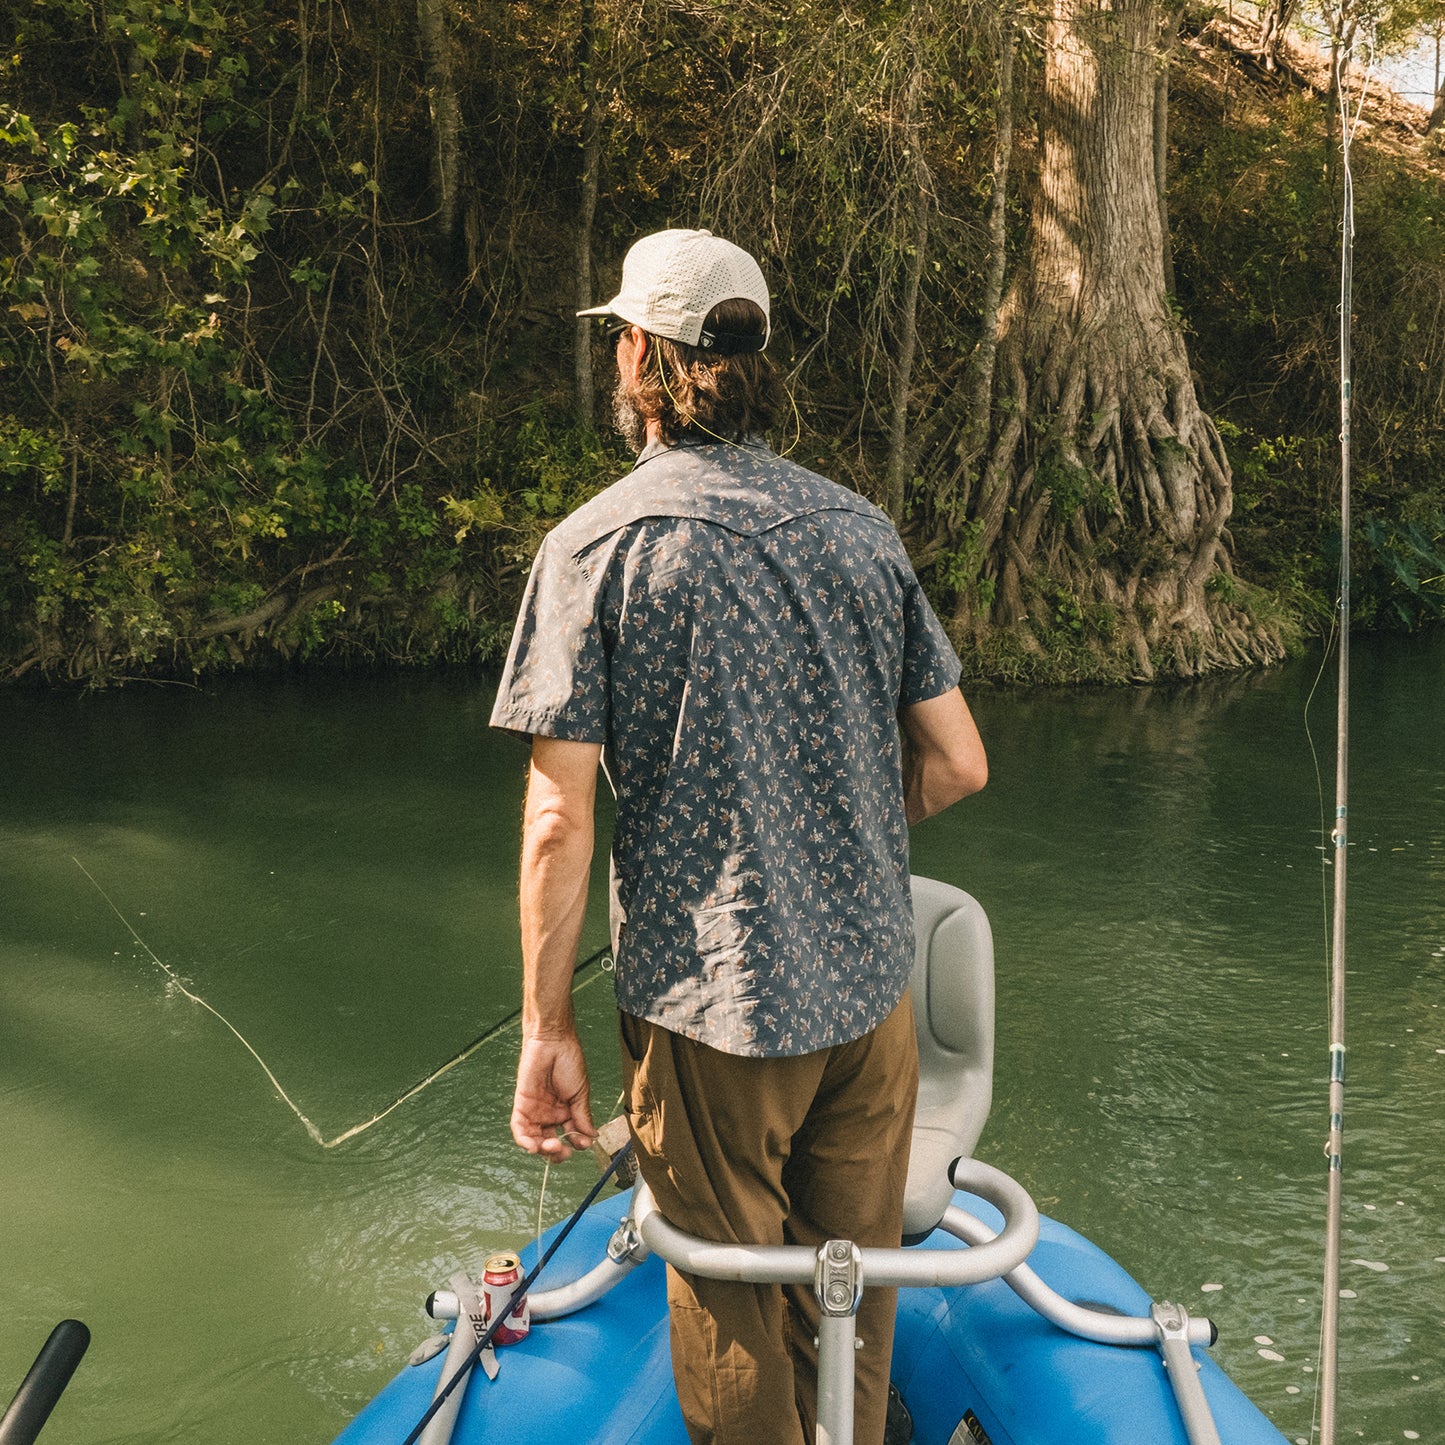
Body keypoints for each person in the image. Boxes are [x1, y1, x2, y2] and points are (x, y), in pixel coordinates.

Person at [490, 228, 987, 1445]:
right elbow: (960, 762)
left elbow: (560, 815)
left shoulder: (594, 548)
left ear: (639, 359)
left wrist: (548, 1028)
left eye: (618, 339)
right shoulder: (861, 530)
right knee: (849, 1290)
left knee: (727, 1300)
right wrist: (847, 834)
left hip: (714, 1011)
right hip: (873, 1001)